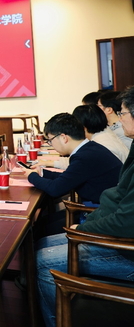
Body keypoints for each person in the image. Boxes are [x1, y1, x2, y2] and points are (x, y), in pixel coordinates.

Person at [35, 86, 134, 327]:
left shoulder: (90, 151)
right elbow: (116, 199)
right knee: (41, 243)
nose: (117, 120)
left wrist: (83, 230)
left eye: (122, 113)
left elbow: (124, 221)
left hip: (126, 250)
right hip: (115, 233)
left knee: (41, 260)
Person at [26, 113, 120, 205]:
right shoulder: (90, 148)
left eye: (50, 140)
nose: (51, 144)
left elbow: (55, 189)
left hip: (102, 210)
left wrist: (31, 176)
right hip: (109, 205)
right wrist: (42, 173)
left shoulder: (84, 157)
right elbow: (68, 178)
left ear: (63, 137)